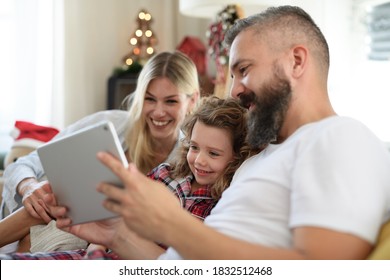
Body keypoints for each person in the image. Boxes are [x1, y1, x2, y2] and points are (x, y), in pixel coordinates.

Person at [52, 5, 390, 260]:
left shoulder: (338, 138)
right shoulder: (256, 160)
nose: (234, 91)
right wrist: (116, 234)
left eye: (243, 70)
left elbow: (322, 272)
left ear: (296, 61)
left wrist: (171, 223)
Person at [0, 96, 258, 259]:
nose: (199, 160)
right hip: (96, 249)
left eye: (213, 153)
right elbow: (113, 225)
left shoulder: (219, 204)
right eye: (194, 147)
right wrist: (94, 253)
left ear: (236, 156)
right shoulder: (166, 173)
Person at [0, 50, 200, 253]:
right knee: (50, 196)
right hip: (38, 210)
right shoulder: (109, 124)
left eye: (171, 101)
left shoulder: (190, 159)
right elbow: (23, 164)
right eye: (149, 99)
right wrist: (28, 186)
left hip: (86, 230)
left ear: (192, 100)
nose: (158, 111)